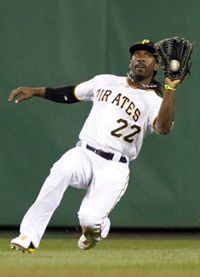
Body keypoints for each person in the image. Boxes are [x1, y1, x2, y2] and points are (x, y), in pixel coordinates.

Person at [8, 39, 180, 253]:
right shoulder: (105, 81)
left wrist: (170, 89)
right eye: (137, 54)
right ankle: (29, 236)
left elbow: (163, 128)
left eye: (147, 55)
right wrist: (36, 91)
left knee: (89, 219)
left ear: (156, 65)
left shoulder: (155, 100)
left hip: (114, 166)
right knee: (60, 170)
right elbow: (71, 93)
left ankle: (96, 229)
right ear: (130, 61)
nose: (141, 58)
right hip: (85, 152)